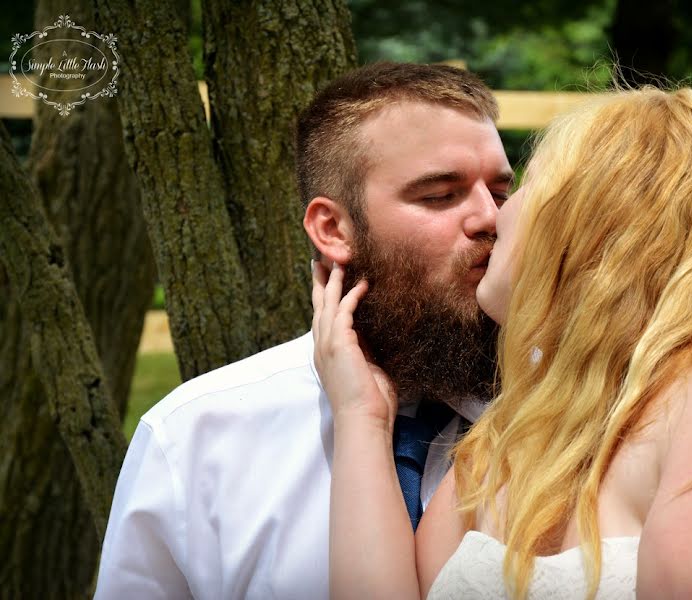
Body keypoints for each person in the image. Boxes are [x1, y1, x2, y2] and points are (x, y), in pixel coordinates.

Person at [313, 87, 692, 598]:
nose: (494, 218)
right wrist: (361, 416)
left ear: (591, 224)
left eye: (519, 186)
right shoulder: (512, 434)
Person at [93, 62, 513, 599]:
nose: (488, 218)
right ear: (333, 229)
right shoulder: (199, 436)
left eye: (501, 191)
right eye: (439, 195)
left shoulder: (577, 415)